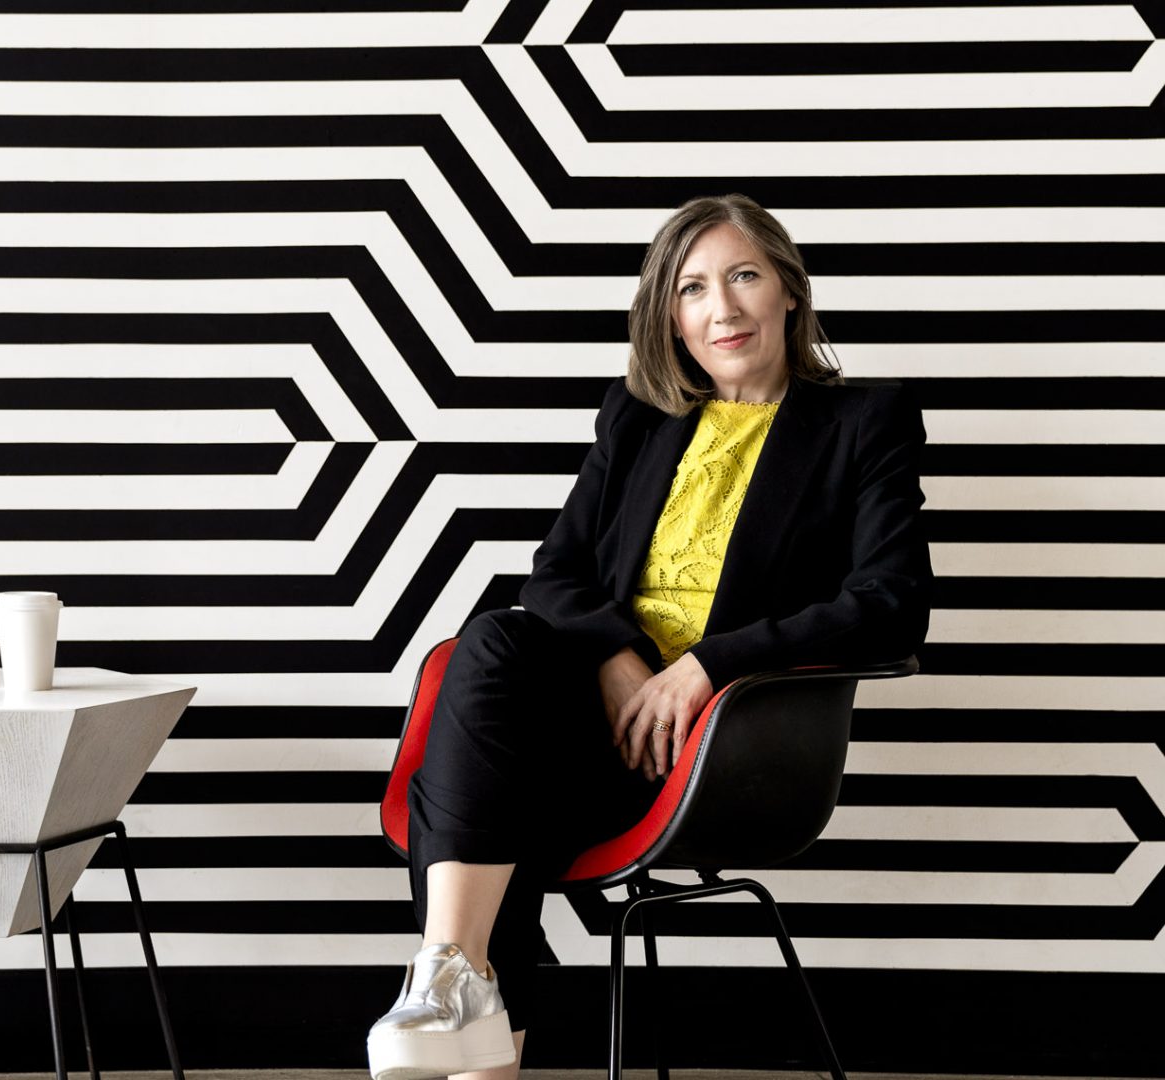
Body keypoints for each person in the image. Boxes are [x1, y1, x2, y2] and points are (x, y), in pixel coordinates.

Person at [365, 193, 934, 1080]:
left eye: (744, 276)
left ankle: (455, 991)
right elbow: (552, 574)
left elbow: (892, 602)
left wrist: (706, 666)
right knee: (497, 644)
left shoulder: (863, 423)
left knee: (479, 784)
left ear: (788, 286)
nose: (723, 309)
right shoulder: (641, 417)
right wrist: (618, 661)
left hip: (725, 748)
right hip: (592, 732)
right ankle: (456, 974)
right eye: (693, 288)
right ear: (668, 313)